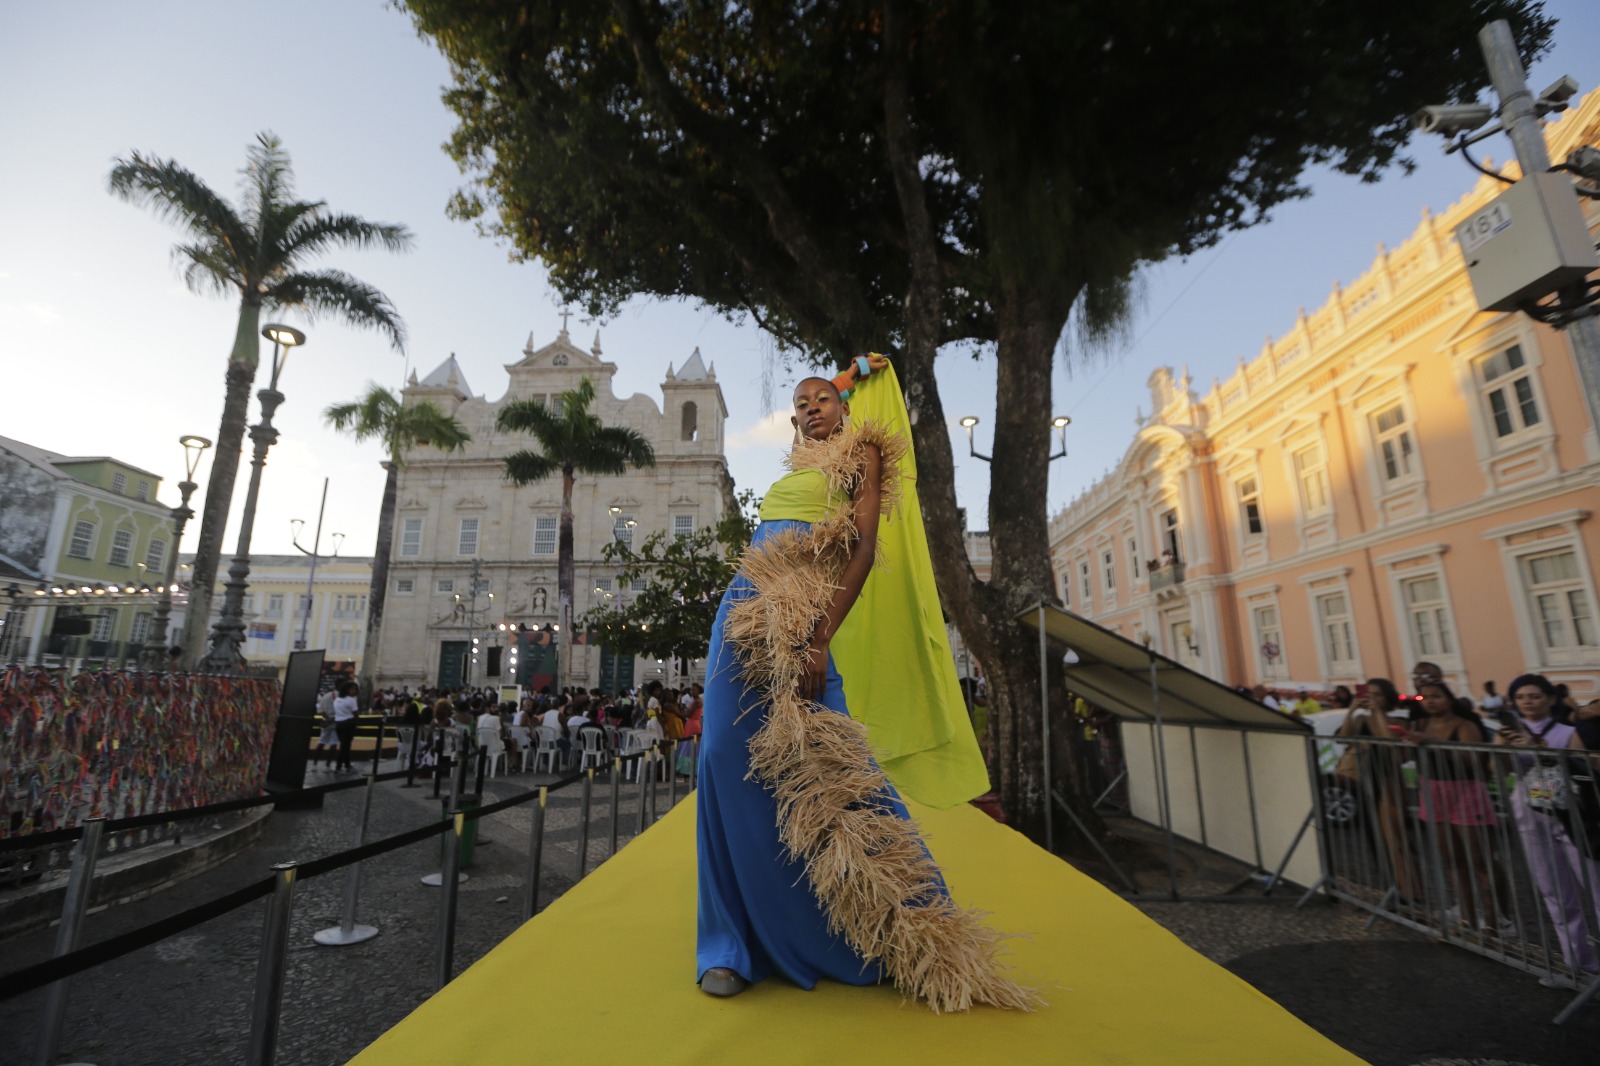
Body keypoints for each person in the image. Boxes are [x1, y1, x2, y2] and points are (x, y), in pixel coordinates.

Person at [696, 356, 1029, 1012]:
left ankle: (916, 932)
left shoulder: (862, 454)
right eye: (802, 402)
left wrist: (818, 636)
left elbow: (862, 553)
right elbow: (820, 402)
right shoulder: (796, 467)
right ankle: (729, 944)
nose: (814, 405)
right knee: (721, 757)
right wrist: (837, 381)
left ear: (846, 410)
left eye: (825, 398)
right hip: (742, 612)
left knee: (836, 768)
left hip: (800, 618)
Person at [1497, 674, 1600, 982]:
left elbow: (1586, 766)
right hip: (1529, 812)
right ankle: (1578, 965)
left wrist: (1540, 750)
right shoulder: (1507, 733)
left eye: (1535, 696)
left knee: (1595, 886)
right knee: (1553, 889)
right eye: (1521, 697)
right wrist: (1504, 748)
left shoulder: (1569, 732)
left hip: (1572, 814)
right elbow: (1496, 771)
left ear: (1551, 699)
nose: (1528, 702)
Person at [1410, 679, 1503, 932]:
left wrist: (1433, 743)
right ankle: (1468, 919)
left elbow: (1470, 759)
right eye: (1424, 696)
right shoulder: (1420, 724)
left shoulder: (1465, 725)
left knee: (1479, 861)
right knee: (1453, 860)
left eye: (1437, 696)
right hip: (1433, 791)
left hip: (1465, 791)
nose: (1430, 700)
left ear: (1450, 699)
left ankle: (1495, 922)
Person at [1338, 677, 1421, 900]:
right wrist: (1352, 710)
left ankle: (1412, 892)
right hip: (1366, 780)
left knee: (1396, 838)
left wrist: (1377, 714)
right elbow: (1344, 739)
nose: (1372, 699)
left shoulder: (1397, 721)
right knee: (1376, 839)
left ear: (1388, 698)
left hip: (1389, 781)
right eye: (1369, 694)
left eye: (1378, 694)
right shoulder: (1362, 720)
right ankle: (1391, 887)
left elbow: (1389, 744)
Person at [332, 682, 360, 774]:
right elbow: (356, 713)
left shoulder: (337, 699)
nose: (354, 691)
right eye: (352, 689)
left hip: (338, 723)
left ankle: (347, 765)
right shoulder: (351, 700)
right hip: (349, 724)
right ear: (346, 690)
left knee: (345, 746)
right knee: (345, 746)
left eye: (355, 689)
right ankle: (338, 767)